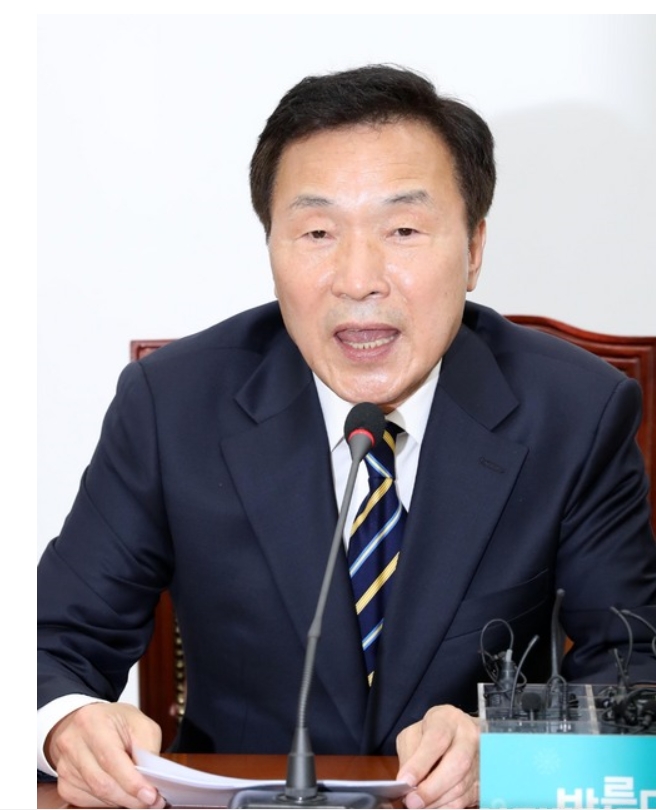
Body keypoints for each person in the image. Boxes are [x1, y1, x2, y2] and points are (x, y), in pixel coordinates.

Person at [38, 64, 656, 809]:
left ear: (474, 249)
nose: (358, 279)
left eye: (403, 230)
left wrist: (511, 749)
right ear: (271, 248)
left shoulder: (575, 412)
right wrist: (66, 725)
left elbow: (637, 669)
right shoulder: (172, 405)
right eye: (317, 232)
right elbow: (48, 644)